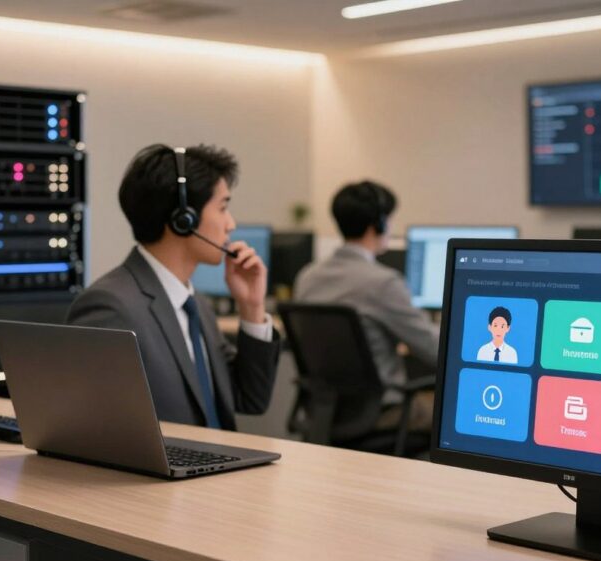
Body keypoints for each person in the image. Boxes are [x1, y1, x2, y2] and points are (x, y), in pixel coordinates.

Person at [67, 144, 280, 429]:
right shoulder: (110, 307)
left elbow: (250, 399)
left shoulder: (196, 305)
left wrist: (252, 307)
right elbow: (96, 429)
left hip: (221, 467)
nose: (231, 224)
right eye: (223, 207)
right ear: (183, 220)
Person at [294, 180, 439, 430]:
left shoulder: (307, 277)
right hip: (379, 413)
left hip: (325, 412)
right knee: (454, 412)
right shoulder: (384, 283)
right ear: (380, 224)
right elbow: (435, 350)